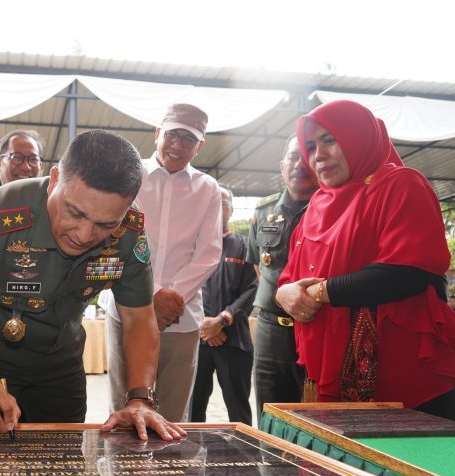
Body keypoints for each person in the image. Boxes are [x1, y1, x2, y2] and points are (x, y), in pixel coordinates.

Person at [0, 129, 186, 442]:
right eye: (75, 212)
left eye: (106, 224)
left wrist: (140, 398)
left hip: (61, 361)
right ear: (55, 179)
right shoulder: (0, 214)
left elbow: (139, 318)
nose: (85, 235)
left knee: (62, 464)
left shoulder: (129, 232)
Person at [276, 99, 455, 420]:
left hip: (404, 370)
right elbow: (290, 276)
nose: (319, 156)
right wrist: (284, 293)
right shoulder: (316, 205)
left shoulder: (399, 185)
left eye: (330, 140)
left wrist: (319, 293)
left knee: (413, 465)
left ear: (358, 136)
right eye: (311, 146)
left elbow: (406, 271)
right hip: (328, 366)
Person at [100, 103, 222, 422]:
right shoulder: (126, 174)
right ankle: (122, 473)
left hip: (180, 320)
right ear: (157, 134)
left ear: (200, 146)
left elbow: (209, 252)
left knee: (171, 414)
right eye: (172, 135)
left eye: (188, 139)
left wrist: (171, 298)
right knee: (123, 408)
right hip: (125, 310)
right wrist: (149, 295)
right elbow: (112, 236)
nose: (178, 145)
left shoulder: (208, 189)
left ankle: (169, 475)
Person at [246, 135, 318, 422]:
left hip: (316, 326)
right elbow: (259, 267)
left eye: (307, 156)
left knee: (317, 417)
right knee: (271, 414)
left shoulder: (333, 209)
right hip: (270, 330)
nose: (299, 164)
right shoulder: (264, 211)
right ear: (282, 165)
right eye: (292, 157)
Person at [190, 187, 258, 424]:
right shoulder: (191, 246)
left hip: (233, 340)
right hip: (195, 341)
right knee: (191, 409)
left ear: (232, 209)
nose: (218, 207)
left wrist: (222, 320)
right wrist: (202, 325)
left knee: (238, 411)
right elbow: (181, 288)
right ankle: (190, 458)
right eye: (212, 202)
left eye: (224, 203)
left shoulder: (246, 247)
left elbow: (253, 288)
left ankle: (244, 458)